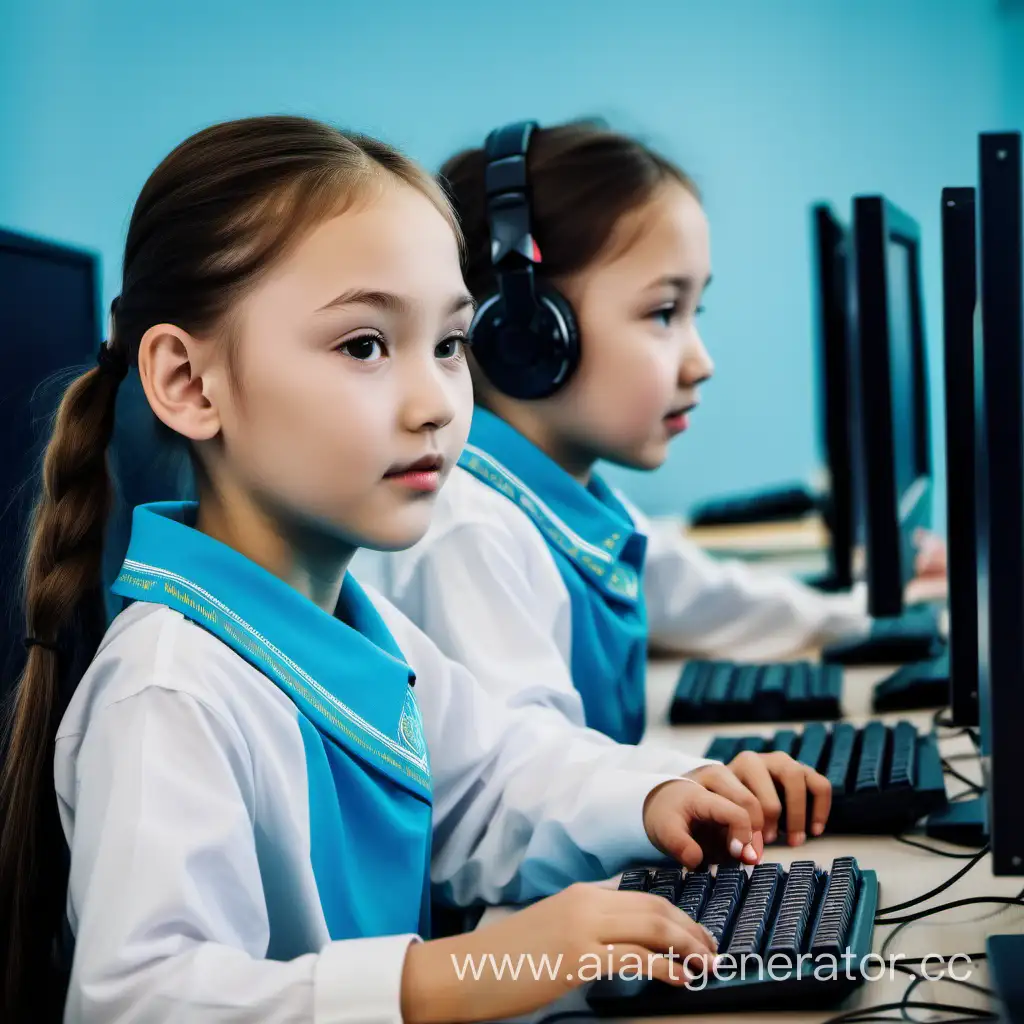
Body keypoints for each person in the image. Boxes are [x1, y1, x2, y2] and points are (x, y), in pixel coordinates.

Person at [0, 116, 772, 1024]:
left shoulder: (348, 622)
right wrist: (457, 974)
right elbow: (142, 1000)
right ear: (190, 383)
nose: (435, 405)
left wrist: (652, 798)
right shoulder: (170, 690)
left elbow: (491, 782)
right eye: (365, 345)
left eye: (448, 345)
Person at [353, 119, 943, 842]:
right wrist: (683, 782)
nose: (701, 361)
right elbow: (520, 775)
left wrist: (866, 614)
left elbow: (699, 598)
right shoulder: (469, 527)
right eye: (665, 313)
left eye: (697, 312)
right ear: (529, 332)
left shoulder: (564, 496)